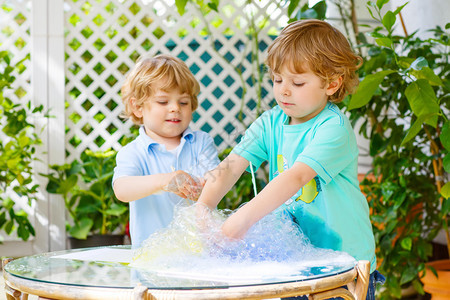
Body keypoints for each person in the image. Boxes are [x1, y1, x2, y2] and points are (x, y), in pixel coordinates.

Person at [196, 20, 384, 299]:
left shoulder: (333, 128)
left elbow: (295, 178)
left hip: (343, 265)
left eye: (297, 82)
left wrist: (239, 222)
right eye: (277, 79)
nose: (283, 90)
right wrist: (204, 205)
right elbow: (232, 166)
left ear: (332, 83)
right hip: (295, 261)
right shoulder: (271, 122)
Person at [113, 54, 220, 248]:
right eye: (163, 102)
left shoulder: (201, 143)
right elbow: (122, 189)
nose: (175, 108)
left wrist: (205, 183)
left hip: (200, 256)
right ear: (137, 107)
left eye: (183, 102)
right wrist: (164, 181)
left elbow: (216, 179)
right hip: (152, 259)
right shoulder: (134, 152)